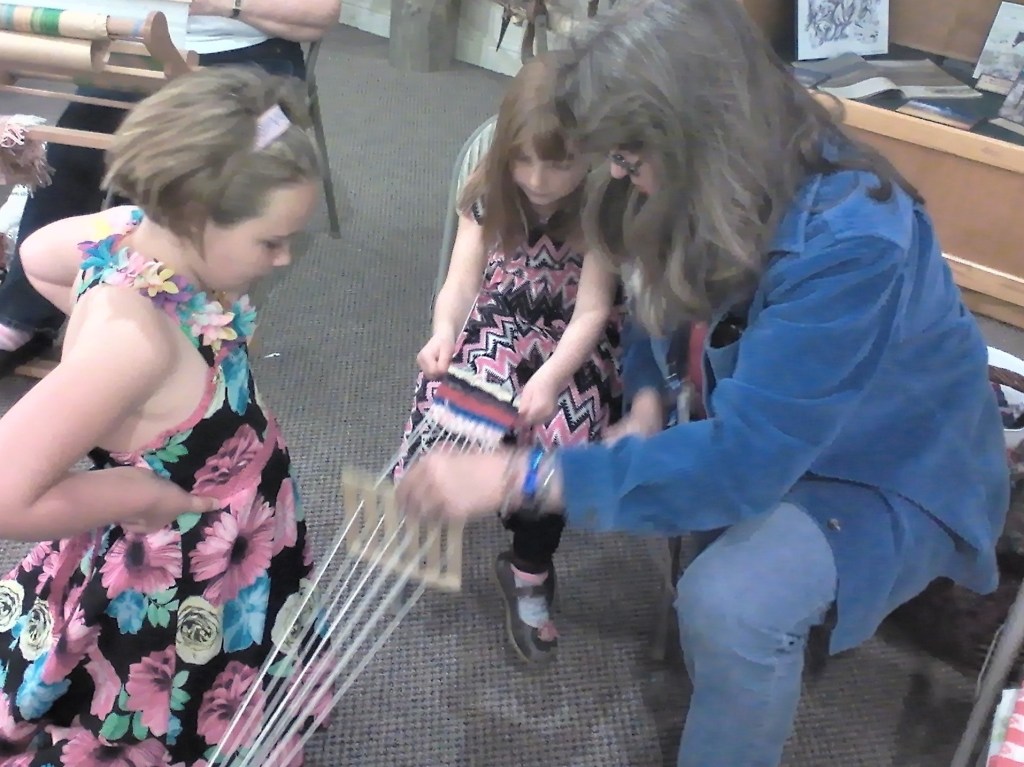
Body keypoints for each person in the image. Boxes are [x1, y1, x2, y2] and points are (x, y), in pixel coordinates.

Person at [394, 1, 1012, 765]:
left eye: (628, 158)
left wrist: (522, 474)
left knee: (732, 604)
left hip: (886, 464)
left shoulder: (853, 240)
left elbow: (745, 461)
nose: (617, 175)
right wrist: (646, 392)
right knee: (700, 551)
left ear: (694, 135)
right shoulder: (702, 172)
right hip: (768, 420)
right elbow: (653, 297)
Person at [0, 66, 323, 765]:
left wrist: (102, 345)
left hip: (236, 533)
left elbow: (36, 256)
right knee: (161, 711)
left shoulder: (124, 231)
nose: (283, 258)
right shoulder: (134, 345)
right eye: (271, 241)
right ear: (193, 214)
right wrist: (131, 490)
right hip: (177, 572)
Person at [393, 54, 622, 663]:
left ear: (590, 152)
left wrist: (551, 377)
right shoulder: (488, 188)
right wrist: (444, 332)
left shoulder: (603, 204)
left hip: (571, 340)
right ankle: (435, 502)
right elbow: (462, 281)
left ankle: (528, 567)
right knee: (449, 401)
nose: (539, 179)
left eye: (559, 163)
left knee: (561, 436)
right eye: (523, 159)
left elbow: (593, 311)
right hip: (498, 319)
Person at [0, 0, 341, 375]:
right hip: (137, 45)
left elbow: (320, 14)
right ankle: (26, 317)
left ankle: (179, 325)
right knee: (71, 158)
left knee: (206, 178)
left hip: (247, 59)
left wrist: (213, 5)